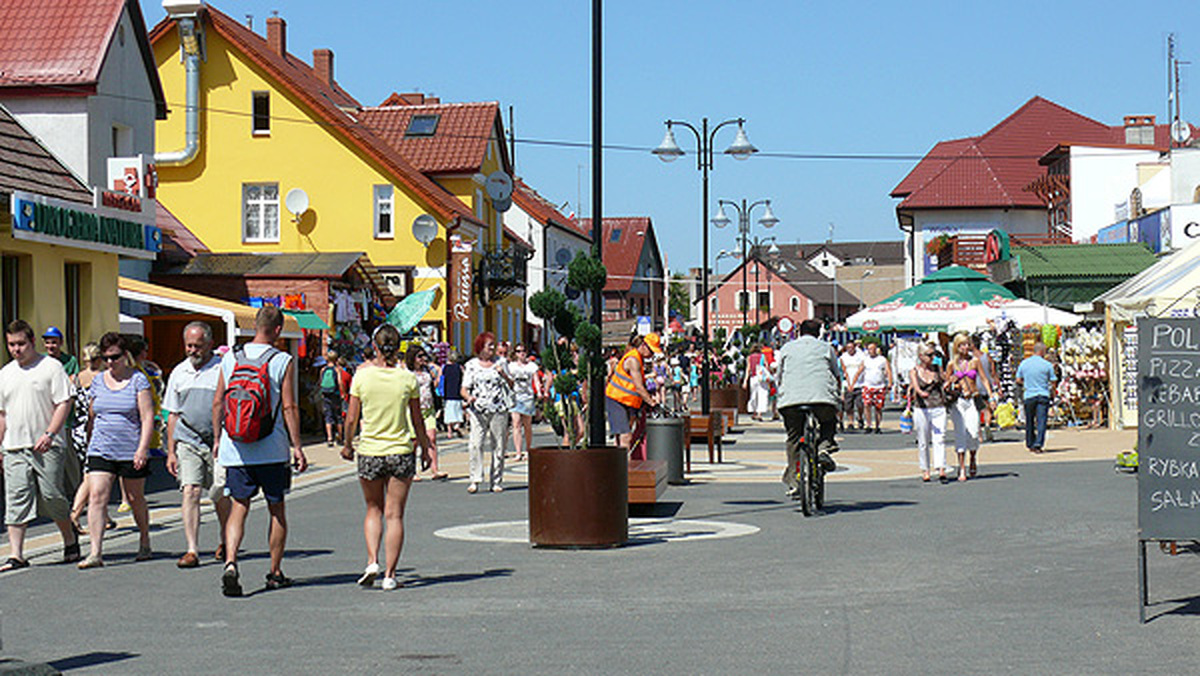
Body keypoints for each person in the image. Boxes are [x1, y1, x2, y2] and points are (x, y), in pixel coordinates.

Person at [212, 306, 307, 596]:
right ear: (278, 330)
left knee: (238, 507)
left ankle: (231, 562)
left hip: (236, 448)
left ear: (255, 325)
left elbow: (218, 402)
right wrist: (297, 446)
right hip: (272, 449)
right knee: (276, 509)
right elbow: (289, 406)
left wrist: (217, 438)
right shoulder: (281, 360)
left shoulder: (231, 358)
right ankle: (275, 572)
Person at [342, 324, 433, 591]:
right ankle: (390, 575)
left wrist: (347, 445)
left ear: (375, 346)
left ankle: (372, 561)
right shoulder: (407, 379)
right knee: (395, 515)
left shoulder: (362, 377)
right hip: (400, 451)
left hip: (370, 450)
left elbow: (351, 418)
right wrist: (425, 447)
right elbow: (417, 419)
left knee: (373, 509)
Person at [0, 320, 80, 571]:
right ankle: (16, 554)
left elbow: (64, 403)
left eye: (21, 343)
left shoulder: (51, 367)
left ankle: (69, 538)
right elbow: (2, 414)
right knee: (16, 498)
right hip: (14, 445)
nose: (16, 349)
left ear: (32, 342)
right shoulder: (5, 373)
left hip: (47, 444)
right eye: (11, 344)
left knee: (51, 495)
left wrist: (50, 433)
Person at [80, 332, 155, 568]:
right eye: (105, 358)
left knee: (134, 497)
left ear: (125, 356)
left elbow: (147, 417)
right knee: (97, 496)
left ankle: (144, 539)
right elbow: (93, 414)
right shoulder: (98, 381)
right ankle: (95, 552)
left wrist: (142, 448)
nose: (110, 362)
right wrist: (89, 442)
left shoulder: (138, 380)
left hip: (130, 448)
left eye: (114, 357)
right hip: (101, 447)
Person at [163, 322, 229, 568]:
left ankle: (226, 539)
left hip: (218, 442)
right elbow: (172, 414)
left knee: (219, 492)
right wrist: (171, 451)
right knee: (190, 490)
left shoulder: (223, 369)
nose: (192, 350)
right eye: (189, 345)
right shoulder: (179, 372)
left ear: (210, 344)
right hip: (187, 440)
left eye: (197, 346)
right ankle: (192, 549)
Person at [775, 319, 842, 498]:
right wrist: (838, 394)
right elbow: (836, 374)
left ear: (799, 331)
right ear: (819, 333)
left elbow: (778, 376)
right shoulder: (826, 348)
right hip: (822, 399)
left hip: (791, 401)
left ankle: (795, 481)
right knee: (828, 421)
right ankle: (824, 447)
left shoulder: (787, 348)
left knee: (794, 438)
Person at [461, 332, 513, 494]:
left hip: (499, 409)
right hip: (478, 410)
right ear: (480, 346)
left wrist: (503, 374)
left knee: (498, 445)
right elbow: (464, 388)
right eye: (489, 344)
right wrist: (469, 397)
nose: (492, 347)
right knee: (475, 444)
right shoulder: (471, 365)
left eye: (493, 344)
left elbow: (512, 384)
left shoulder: (501, 362)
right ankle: (475, 479)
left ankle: (496, 480)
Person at [69, 343, 109, 532]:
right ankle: (75, 514)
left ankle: (104, 516)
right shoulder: (102, 379)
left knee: (95, 474)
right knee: (91, 474)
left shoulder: (75, 379)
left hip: (77, 429)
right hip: (96, 429)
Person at [944, 332, 993, 481]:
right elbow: (946, 384)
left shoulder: (975, 361)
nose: (965, 348)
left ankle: (972, 457)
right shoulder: (952, 364)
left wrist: (991, 395)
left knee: (973, 432)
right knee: (960, 433)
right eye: (962, 345)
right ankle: (961, 467)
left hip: (972, 399)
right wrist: (952, 382)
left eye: (967, 344)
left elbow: (984, 379)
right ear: (957, 347)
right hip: (958, 401)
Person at [604, 333, 662, 455]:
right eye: (651, 351)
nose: (652, 355)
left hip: (627, 401)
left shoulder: (638, 358)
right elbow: (639, 387)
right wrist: (652, 403)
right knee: (625, 436)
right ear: (644, 346)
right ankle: (625, 465)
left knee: (621, 438)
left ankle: (618, 462)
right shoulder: (633, 360)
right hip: (617, 399)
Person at [405, 346, 447, 481]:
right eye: (419, 356)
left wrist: (430, 364)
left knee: (432, 437)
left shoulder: (427, 370)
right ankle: (412, 471)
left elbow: (439, 372)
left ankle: (435, 469)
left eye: (424, 355)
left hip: (428, 408)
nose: (422, 358)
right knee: (414, 441)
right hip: (412, 409)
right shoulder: (407, 372)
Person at [909, 343, 948, 482]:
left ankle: (941, 467)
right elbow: (916, 387)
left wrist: (950, 381)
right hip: (922, 408)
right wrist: (920, 392)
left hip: (938, 406)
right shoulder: (914, 371)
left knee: (940, 437)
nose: (933, 358)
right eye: (929, 355)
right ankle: (925, 469)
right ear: (921, 356)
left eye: (934, 354)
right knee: (923, 440)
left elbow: (945, 381)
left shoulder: (937, 368)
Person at [1016, 341, 1058, 454]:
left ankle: (1030, 442)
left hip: (1029, 395)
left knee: (1029, 421)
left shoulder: (1024, 363)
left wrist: (1026, 383)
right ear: (1042, 351)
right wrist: (1053, 392)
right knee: (1041, 421)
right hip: (1043, 394)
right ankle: (1038, 443)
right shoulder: (1047, 365)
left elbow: (1018, 379)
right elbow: (1053, 381)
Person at [507, 344, 538, 462]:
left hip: (528, 397)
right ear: (515, 353)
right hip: (515, 397)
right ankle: (518, 452)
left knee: (527, 425)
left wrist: (539, 392)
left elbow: (535, 379)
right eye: (519, 351)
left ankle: (528, 449)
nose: (521, 353)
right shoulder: (511, 366)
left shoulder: (532, 366)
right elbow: (508, 380)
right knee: (516, 424)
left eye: (523, 351)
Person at [853, 342, 892, 434]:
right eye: (869, 349)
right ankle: (868, 425)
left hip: (880, 386)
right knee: (867, 405)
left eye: (873, 349)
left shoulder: (882, 359)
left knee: (878, 407)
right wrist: (853, 383)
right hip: (868, 386)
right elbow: (859, 371)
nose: (871, 351)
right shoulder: (866, 360)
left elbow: (888, 371)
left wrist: (890, 383)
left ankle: (877, 426)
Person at [972, 335, 997, 442]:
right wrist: (997, 385)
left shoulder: (971, 359)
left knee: (976, 410)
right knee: (988, 408)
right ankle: (987, 424)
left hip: (976, 386)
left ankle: (979, 434)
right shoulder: (987, 356)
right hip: (987, 385)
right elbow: (993, 372)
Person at [317, 355, 345, 447]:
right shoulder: (337, 370)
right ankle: (340, 437)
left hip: (326, 394)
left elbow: (320, 382)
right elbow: (340, 382)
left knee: (328, 416)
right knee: (338, 416)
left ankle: (329, 438)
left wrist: (321, 391)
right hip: (335, 394)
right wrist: (343, 393)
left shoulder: (323, 370)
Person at [840, 340, 866, 430]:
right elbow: (844, 371)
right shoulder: (844, 357)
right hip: (848, 384)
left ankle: (860, 418)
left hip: (859, 384)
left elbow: (861, 369)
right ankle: (850, 421)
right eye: (848, 348)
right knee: (848, 406)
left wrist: (854, 382)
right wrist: (849, 384)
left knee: (860, 404)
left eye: (851, 347)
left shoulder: (861, 355)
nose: (850, 349)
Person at [441, 351, 465, 438]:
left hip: (448, 393)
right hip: (458, 393)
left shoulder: (445, 368)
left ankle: (449, 431)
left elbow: (442, 379)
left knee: (448, 412)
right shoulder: (459, 368)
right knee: (458, 411)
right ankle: (457, 425)